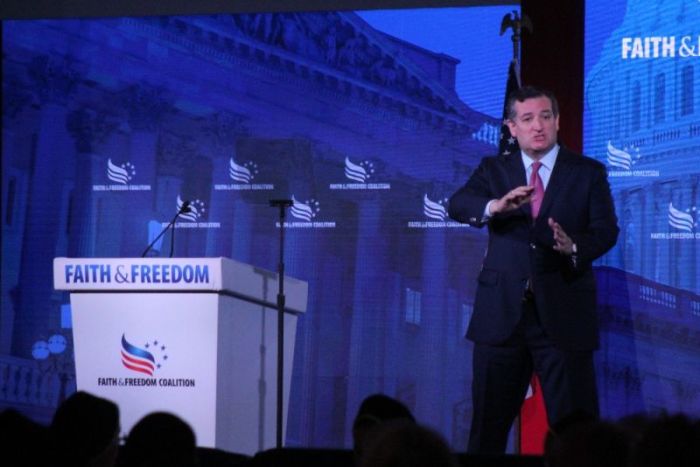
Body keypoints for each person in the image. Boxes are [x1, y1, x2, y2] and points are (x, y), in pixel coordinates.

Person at [448, 86, 619, 454]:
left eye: (545, 117)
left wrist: (573, 246)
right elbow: (458, 204)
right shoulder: (494, 170)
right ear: (512, 127)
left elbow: (606, 231)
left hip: (563, 315)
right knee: (486, 435)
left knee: (578, 438)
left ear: (557, 121)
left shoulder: (587, 172)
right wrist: (496, 205)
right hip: (501, 317)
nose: (538, 126)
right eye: (527, 119)